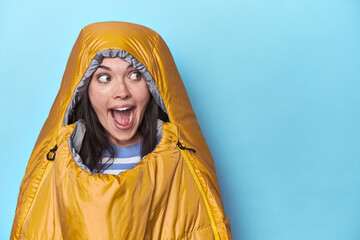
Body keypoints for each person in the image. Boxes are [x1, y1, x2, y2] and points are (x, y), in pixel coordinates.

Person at [11, 22, 232, 239]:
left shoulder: (181, 162)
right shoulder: (58, 165)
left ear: (153, 86)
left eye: (135, 75)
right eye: (104, 78)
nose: (122, 91)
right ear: (84, 88)